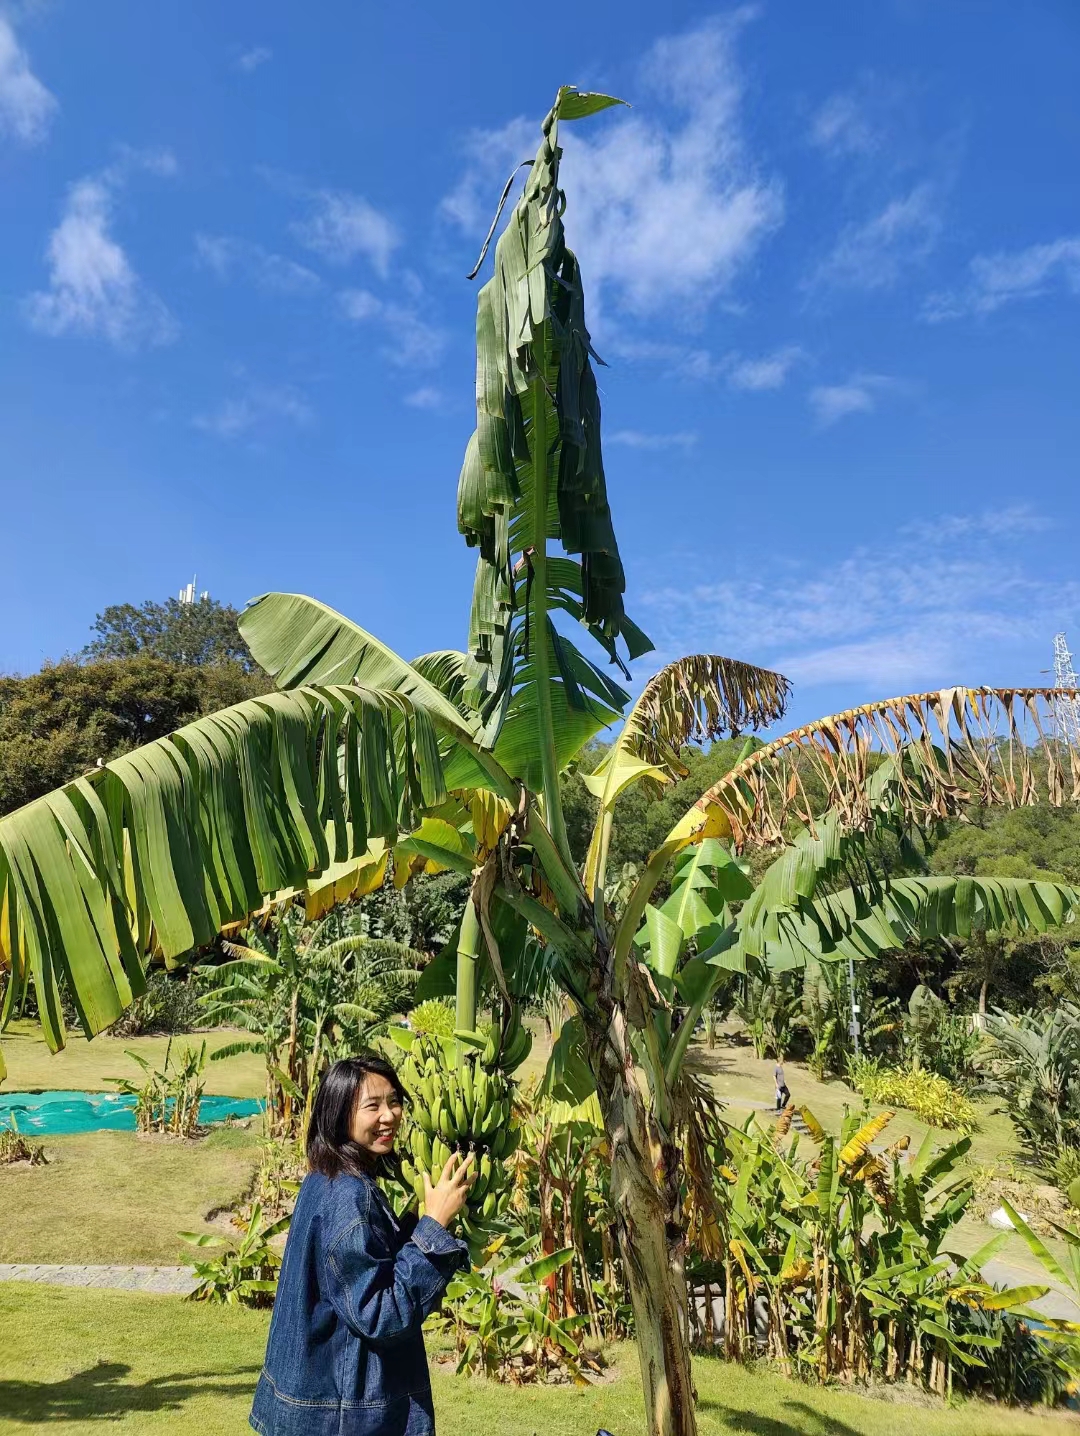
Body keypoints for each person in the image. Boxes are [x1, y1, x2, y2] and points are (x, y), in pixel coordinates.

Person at [250, 1053, 474, 1436]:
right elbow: (381, 1315)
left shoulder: (324, 1178)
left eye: (393, 1101)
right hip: (344, 1417)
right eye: (372, 1106)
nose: (389, 1116)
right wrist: (433, 1227)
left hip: (312, 1406)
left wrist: (414, 1226)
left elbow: (359, 1276)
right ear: (339, 1115)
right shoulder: (348, 1197)